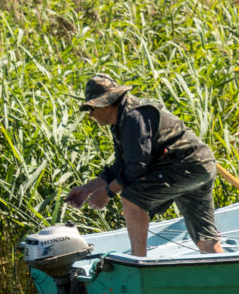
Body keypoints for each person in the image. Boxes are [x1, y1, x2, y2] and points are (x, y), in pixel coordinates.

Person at [65, 73, 223, 255]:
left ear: (106, 104)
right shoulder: (121, 120)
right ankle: (224, 272)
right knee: (205, 237)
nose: (91, 115)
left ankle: (139, 260)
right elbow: (120, 166)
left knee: (132, 198)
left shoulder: (134, 118)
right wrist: (87, 189)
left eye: (92, 108)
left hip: (185, 167)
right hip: (200, 166)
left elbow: (137, 167)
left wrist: (108, 194)